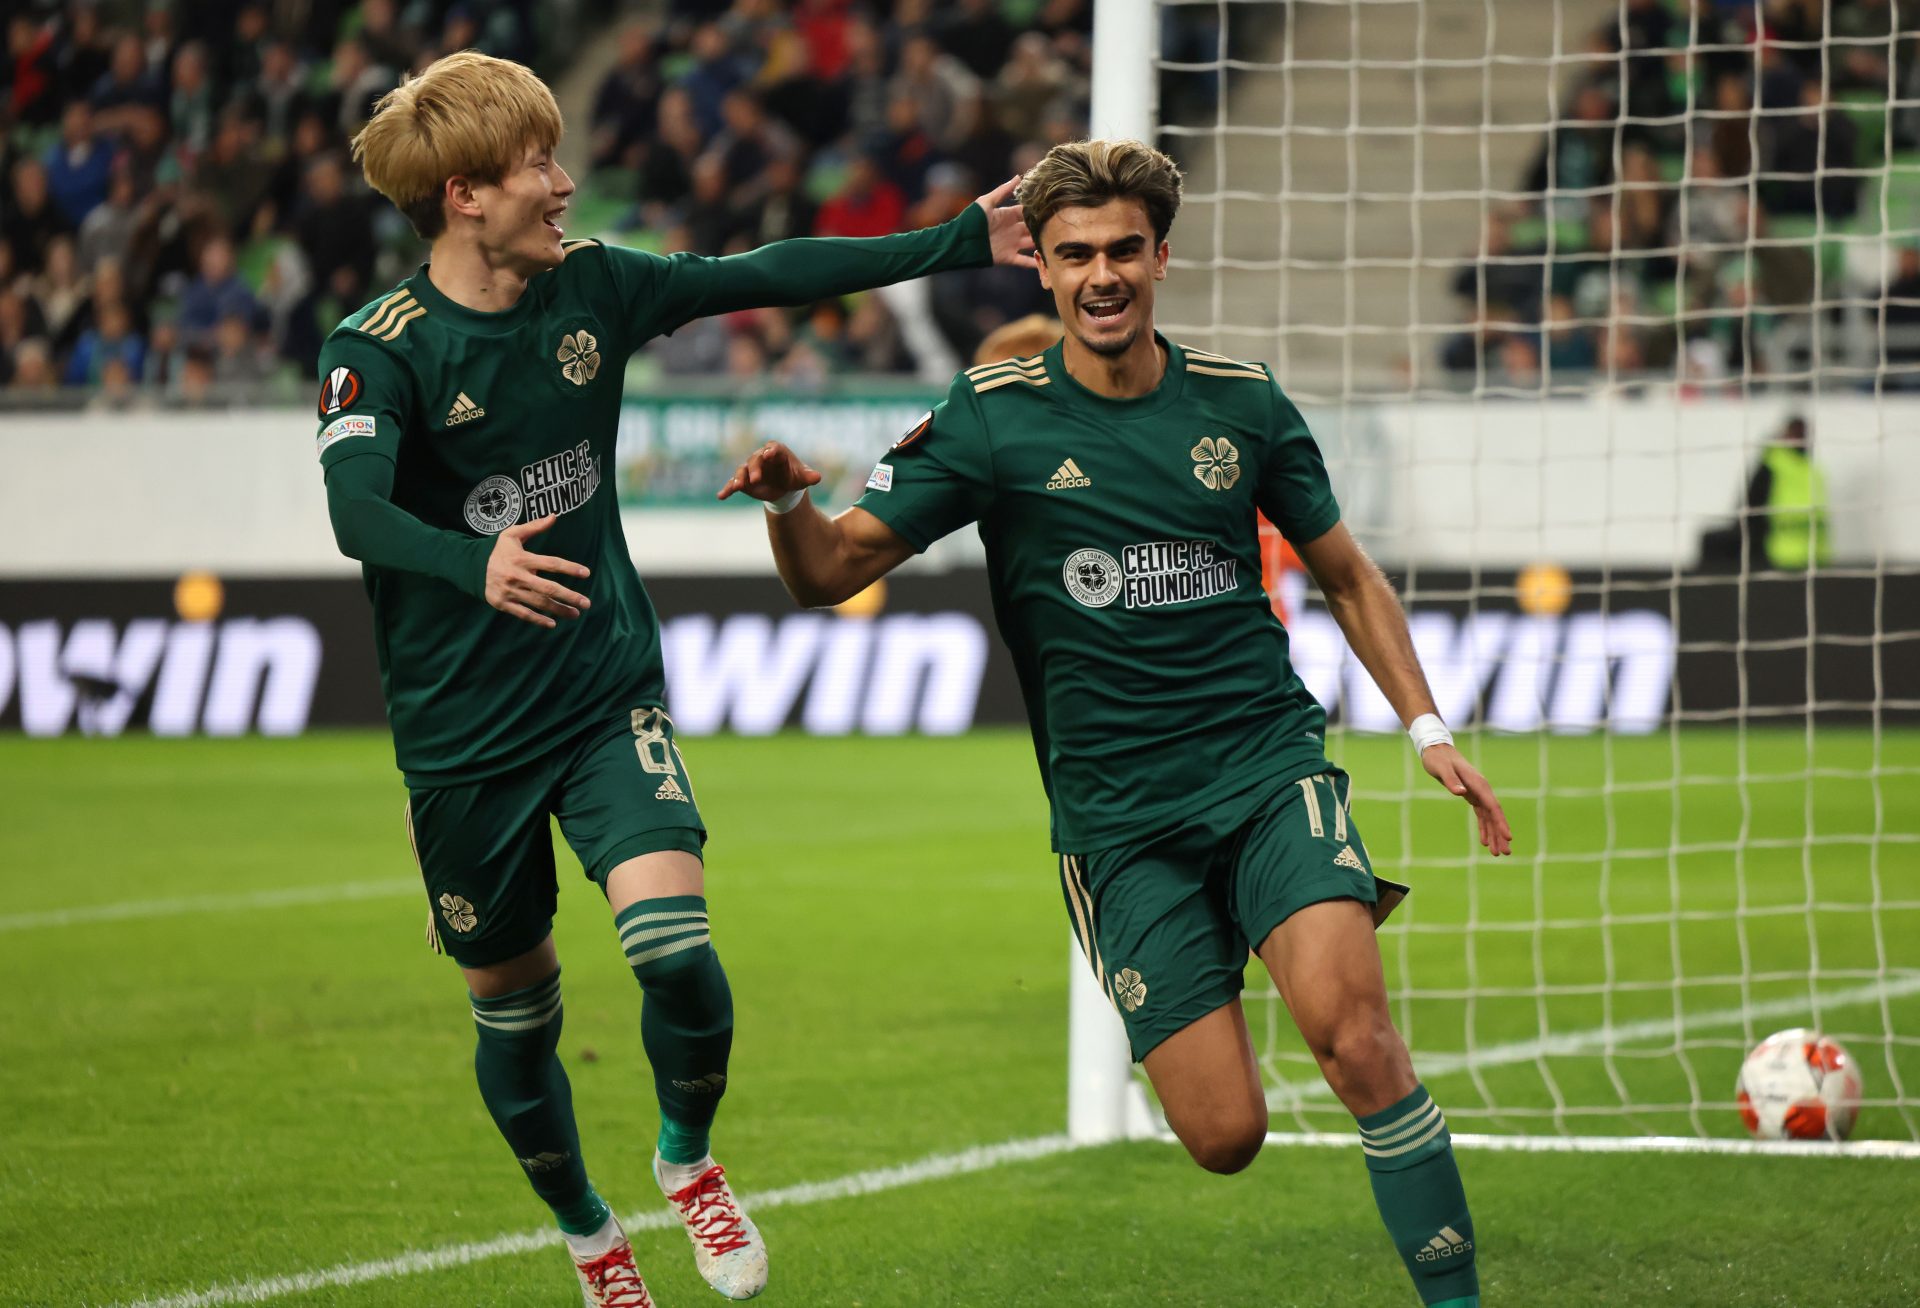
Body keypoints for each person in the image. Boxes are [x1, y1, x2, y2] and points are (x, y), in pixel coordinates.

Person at [721, 138, 1511, 1308]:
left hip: (1265, 769)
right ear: (1039, 266)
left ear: (1160, 257)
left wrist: (1428, 727)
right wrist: (792, 500)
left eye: (1124, 249)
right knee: (1224, 1134)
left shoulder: (1243, 403)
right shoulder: (990, 422)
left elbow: (1348, 575)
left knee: (1355, 1041)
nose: (1102, 273)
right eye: (1075, 252)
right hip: (1118, 822)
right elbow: (829, 573)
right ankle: (1217, 950)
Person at [315, 50, 1034, 1307]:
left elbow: (761, 274)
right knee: (517, 1014)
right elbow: (352, 512)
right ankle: (592, 1234)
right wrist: (467, 561)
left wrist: (961, 238)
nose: (565, 180)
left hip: (600, 693)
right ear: (465, 196)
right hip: (460, 739)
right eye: (537, 163)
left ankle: (686, 1162)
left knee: (676, 954)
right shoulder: (378, 350)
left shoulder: (595, 290)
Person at [1700, 414, 1832, 571]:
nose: (1800, 438)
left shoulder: (1813, 470)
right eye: (1796, 433)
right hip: (1779, 555)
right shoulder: (1772, 465)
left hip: (1816, 558)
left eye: (1803, 433)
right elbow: (1752, 509)